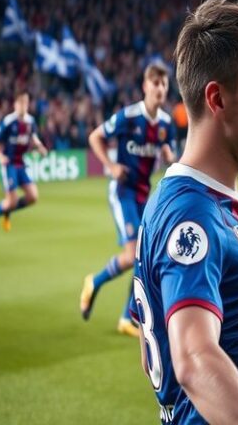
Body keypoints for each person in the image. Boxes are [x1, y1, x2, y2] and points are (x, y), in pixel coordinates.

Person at [130, 0, 238, 424]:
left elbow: (154, 353)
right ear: (217, 99)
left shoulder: (193, 200)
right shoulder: (192, 216)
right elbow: (193, 358)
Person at [79, 63, 176, 337]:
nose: (160, 89)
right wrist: (110, 166)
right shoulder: (129, 116)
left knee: (143, 257)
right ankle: (99, 288)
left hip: (145, 194)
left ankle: (123, 315)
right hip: (123, 192)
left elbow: (168, 152)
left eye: (164, 84)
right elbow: (95, 137)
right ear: (145, 86)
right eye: (155, 83)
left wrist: (168, 156)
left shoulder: (166, 123)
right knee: (135, 253)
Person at [0, 92, 49, 239]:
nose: (24, 106)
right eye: (21, 103)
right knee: (11, 201)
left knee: (33, 197)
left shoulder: (30, 121)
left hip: (21, 163)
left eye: (26, 102)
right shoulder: (9, 121)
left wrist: (40, 147)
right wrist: (0, 156)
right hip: (9, 164)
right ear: (16, 104)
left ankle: (7, 209)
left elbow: (34, 137)